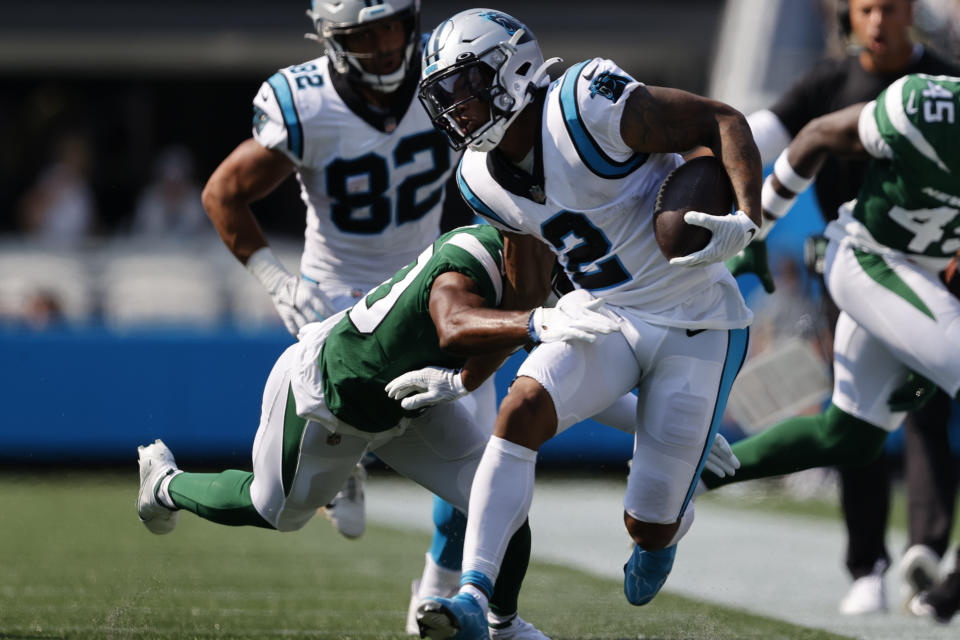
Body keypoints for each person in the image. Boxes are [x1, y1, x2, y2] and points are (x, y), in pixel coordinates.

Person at [404, 9, 762, 638]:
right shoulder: (480, 179)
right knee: (517, 413)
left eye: (467, 86)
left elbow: (722, 120)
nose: (457, 108)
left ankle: (663, 530)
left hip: (697, 319)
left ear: (512, 67)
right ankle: (473, 596)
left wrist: (749, 219)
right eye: (446, 96)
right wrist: (466, 378)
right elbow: (527, 287)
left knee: (647, 527)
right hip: (605, 314)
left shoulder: (586, 104)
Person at [136, 224, 619, 640]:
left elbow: (570, 373)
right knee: (274, 510)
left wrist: (461, 379)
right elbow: (455, 327)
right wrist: (535, 322)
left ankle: (504, 624)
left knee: (499, 494)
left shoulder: (527, 277)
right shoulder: (471, 259)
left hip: (412, 397)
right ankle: (164, 484)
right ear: (522, 242)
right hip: (334, 396)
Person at [199, 1, 488, 629]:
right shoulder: (306, 102)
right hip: (336, 302)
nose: (386, 46)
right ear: (332, 39)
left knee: (482, 460)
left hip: (424, 286)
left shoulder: (447, 73)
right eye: (366, 33)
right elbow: (223, 192)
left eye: (393, 26)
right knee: (303, 490)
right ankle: (348, 463)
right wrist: (274, 280)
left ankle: (434, 593)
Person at [703, 73, 960, 624]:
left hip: (925, 276)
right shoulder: (923, 106)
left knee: (850, 437)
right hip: (869, 258)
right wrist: (758, 227)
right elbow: (816, 134)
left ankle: (688, 471)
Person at [131, 145, 208, 238]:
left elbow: (204, 234)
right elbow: (138, 234)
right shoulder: (149, 201)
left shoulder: (197, 201)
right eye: (169, 183)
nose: (173, 189)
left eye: (178, 183)